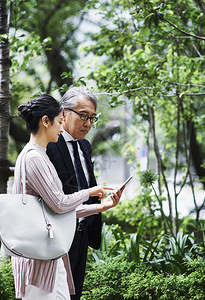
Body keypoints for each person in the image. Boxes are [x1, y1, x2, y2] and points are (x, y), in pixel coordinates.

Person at [12, 94, 122, 299]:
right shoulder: (34, 157)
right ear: (46, 121)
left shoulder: (38, 155)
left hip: (51, 251)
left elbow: (56, 208)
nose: (61, 129)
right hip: (40, 255)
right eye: (59, 122)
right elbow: (60, 204)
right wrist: (89, 193)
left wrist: (99, 207)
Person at [47, 87, 124, 300]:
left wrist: (103, 200)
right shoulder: (51, 144)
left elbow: (85, 185)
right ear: (63, 113)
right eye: (83, 116)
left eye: (92, 118)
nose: (88, 123)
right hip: (58, 234)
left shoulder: (85, 146)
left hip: (82, 232)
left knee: (74, 295)